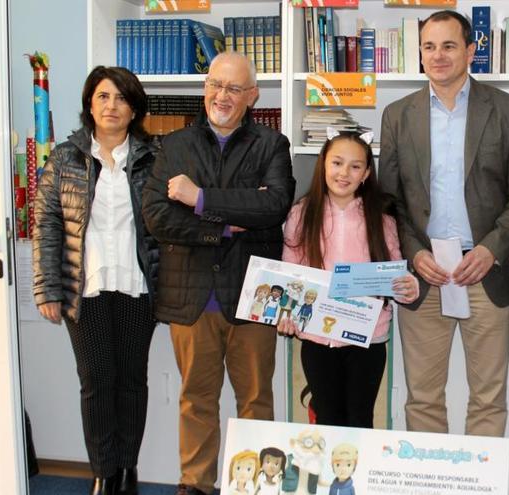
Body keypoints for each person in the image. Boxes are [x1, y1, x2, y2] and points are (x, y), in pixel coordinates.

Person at [142, 51, 294, 495]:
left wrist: (200, 198)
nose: (221, 96)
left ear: (252, 96)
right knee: (196, 401)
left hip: (253, 296)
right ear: (204, 88)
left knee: (255, 401)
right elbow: (157, 216)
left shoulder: (272, 145)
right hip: (191, 297)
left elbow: (273, 207)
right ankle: (196, 484)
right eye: (214, 85)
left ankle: (259, 486)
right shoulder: (174, 146)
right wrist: (227, 224)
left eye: (232, 88)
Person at [378, 10, 509, 437]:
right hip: (424, 275)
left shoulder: (505, 109)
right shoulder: (397, 115)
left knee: (488, 398)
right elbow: (388, 200)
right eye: (429, 47)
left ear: (470, 51)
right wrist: (414, 252)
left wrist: (491, 249)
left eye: (449, 45)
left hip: (484, 271)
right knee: (423, 397)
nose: (438, 55)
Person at [31, 65, 158, 495]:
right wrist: (48, 287)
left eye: (121, 98)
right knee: (97, 380)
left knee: (132, 380)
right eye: (103, 96)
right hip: (83, 287)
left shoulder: (152, 157)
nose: (112, 106)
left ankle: (128, 469)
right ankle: (104, 471)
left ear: (134, 108)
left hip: (137, 284)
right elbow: (46, 222)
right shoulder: (66, 157)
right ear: (90, 103)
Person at [278, 130, 418, 427]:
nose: (344, 173)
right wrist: (287, 313)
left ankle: (357, 474)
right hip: (317, 338)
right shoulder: (301, 214)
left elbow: (395, 271)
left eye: (355, 166)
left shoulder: (382, 218)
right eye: (337, 163)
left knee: (360, 419)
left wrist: (408, 285)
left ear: (367, 173)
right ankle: (332, 476)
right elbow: (291, 273)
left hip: (367, 338)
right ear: (323, 165)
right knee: (327, 417)